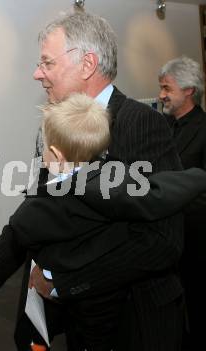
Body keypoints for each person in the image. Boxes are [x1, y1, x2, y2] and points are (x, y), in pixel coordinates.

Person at [0, 10, 185, 351]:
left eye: (47, 63)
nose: (37, 74)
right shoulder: (56, 126)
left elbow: (161, 241)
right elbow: (35, 218)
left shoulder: (140, 123)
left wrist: (60, 281)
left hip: (135, 320)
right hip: (78, 321)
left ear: (87, 64)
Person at [158, 56, 206, 351]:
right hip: (164, 238)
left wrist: (169, 205)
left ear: (188, 90)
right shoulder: (160, 126)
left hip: (197, 240)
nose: (161, 95)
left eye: (167, 88)